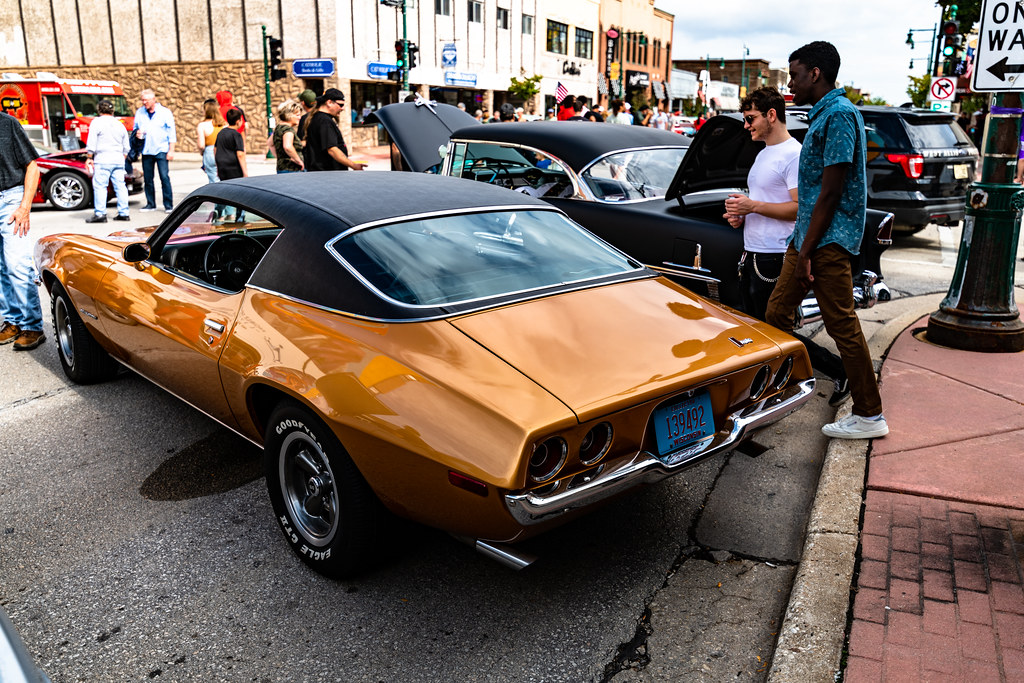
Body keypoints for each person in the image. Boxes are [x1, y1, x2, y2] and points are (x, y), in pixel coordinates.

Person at [766, 40, 887, 440]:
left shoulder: (838, 115)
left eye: (795, 75)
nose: (791, 83)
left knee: (842, 325)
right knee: (776, 316)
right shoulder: (823, 115)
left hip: (827, 242)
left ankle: (870, 414)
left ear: (815, 73)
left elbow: (830, 192)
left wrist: (807, 253)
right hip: (808, 238)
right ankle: (777, 393)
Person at [722, 87, 800, 322]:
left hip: (775, 256)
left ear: (772, 115)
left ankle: (828, 362)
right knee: (755, 327)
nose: (746, 125)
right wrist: (742, 215)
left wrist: (752, 207)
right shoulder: (764, 152)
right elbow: (767, 201)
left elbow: (800, 208)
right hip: (753, 253)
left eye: (750, 118)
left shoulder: (794, 154)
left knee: (774, 330)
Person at [0, 111, 45, 350]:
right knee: (0, 268)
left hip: (10, 200)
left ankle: (33, 326)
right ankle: (13, 321)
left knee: (16, 264)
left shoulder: (7, 124)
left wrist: (24, 207)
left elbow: (32, 166)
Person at [84, 99, 131, 223]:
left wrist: (89, 157)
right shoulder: (119, 124)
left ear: (99, 109)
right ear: (112, 110)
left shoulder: (96, 123)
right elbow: (126, 145)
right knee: (120, 186)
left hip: (103, 159)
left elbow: (92, 141)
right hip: (118, 159)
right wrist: (123, 156)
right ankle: (124, 213)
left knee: (100, 186)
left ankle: (100, 214)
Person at [303, 88, 367, 172]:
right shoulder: (324, 121)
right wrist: (354, 166)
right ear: (329, 102)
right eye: (340, 105)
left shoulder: (318, 118)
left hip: (323, 173)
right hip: (328, 174)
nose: (342, 108)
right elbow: (332, 149)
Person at [134, 88, 176, 212]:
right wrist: (137, 134)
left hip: (161, 149)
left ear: (153, 100)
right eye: (142, 100)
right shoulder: (140, 112)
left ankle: (168, 205)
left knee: (164, 177)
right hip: (146, 150)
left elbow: (171, 132)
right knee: (148, 178)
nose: (144, 103)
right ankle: (150, 203)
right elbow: (135, 128)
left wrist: (171, 150)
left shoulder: (165, 112)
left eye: (146, 100)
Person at [196, 98, 224, 183]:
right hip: (223, 152)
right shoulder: (223, 124)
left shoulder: (202, 125)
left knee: (213, 179)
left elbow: (201, 145)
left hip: (210, 152)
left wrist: (201, 152)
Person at [214, 108, 247, 180]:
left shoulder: (221, 133)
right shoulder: (237, 135)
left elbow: (215, 149)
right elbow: (240, 154)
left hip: (221, 166)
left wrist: (217, 167)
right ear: (238, 121)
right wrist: (245, 172)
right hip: (233, 168)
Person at [272, 100, 304, 173]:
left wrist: (280, 158)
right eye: (297, 115)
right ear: (289, 115)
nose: (300, 117)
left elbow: (270, 143)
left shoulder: (278, 128)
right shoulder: (288, 130)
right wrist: (298, 161)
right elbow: (287, 146)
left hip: (281, 168)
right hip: (292, 169)